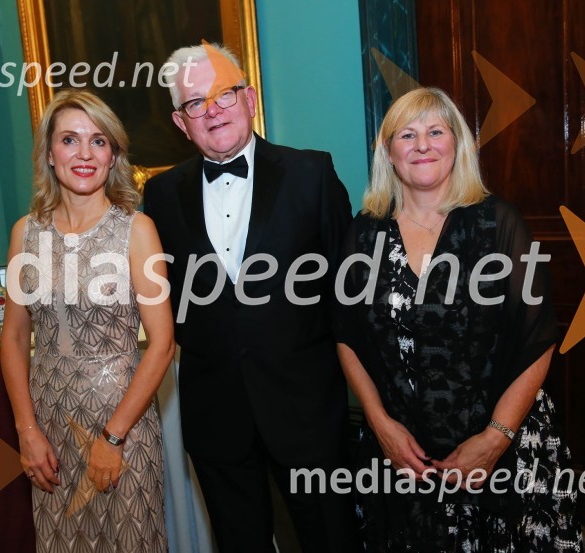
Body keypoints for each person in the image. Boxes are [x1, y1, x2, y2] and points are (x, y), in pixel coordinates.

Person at [335, 87, 583, 552]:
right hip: (405, 453)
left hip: (503, 445)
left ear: (458, 144)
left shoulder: (499, 223)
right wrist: (381, 425)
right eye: (407, 135)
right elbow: (346, 338)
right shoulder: (363, 232)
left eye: (435, 131)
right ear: (388, 152)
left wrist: (495, 438)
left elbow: (538, 339)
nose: (422, 145)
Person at [142, 43, 357, 552]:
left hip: (307, 409)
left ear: (250, 98)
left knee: (332, 540)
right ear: (181, 121)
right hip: (216, 413)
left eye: (224, 94)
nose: (212, 110)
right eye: (196, 103)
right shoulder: (161, 196)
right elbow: (162, 300)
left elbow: (351, 297)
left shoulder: (313, 175)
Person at [1, 89, 175, 553]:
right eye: (70, 140)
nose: (84, 154)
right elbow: (15, 336)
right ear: (49, 153)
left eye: (98, 141)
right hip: (48, 430)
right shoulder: (25, 232)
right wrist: (26, 430)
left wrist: (113, 437)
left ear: (113, 155)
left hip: (122, 423)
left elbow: (162, 344)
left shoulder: (137, 230)